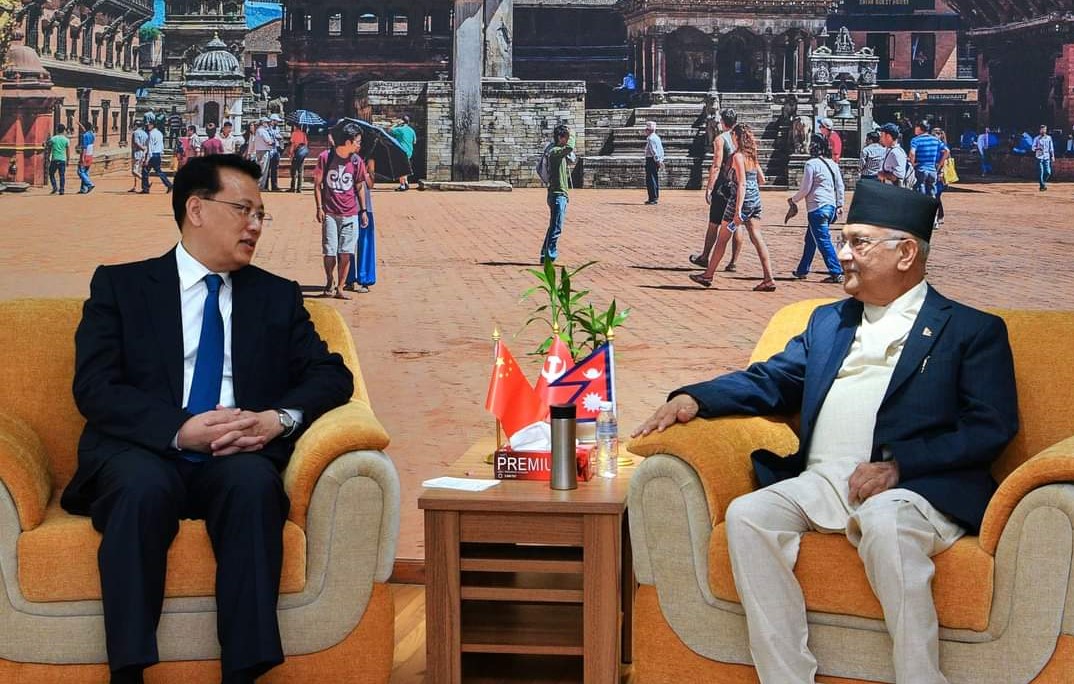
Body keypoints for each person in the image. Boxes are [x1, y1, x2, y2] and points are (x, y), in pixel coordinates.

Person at [633, 180, 1019, 684]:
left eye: (858, 242)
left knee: (885, 522)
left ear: (906, 253)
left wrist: (900, 466)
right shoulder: (828, 322)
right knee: (748, 516)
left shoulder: (970, 330)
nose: (843, 254)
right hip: (822, 481)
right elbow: (772, 380)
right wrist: (695, 398)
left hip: (915, 489)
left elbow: (991, 426)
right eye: (844, 240)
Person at [63, 154, 353, 684]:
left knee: (253, 485)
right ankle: (128, 671)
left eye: (261, 214)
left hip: (236, 453)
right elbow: (95, 387)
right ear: (196, 210)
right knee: (140, 489)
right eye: (243, 210)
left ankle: (245, 670)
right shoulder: (121, 287)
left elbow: (330, 375)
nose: (255, 225)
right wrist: (177, 429)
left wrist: (277, 420)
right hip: (145, 449)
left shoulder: (276, 295)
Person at [689, 123, 775, 291]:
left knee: (722, 239)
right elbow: (762, 179)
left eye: (733, 136)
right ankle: (768, 278)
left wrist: (738, 210)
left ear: (737, 137)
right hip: (755, 201)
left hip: (739, 202)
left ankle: (708, 275)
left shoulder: (738, 157)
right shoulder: (752, 156)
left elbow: (741, 183)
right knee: (757, 237)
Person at [312, 121, 370, 298]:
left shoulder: (357, 161)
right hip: (330, 212)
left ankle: (341, 287)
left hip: (350, 213)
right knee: (329, 251)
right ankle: (330, 280)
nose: (359, 145)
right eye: (357, 141)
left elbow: (359, 187)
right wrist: (319, 207)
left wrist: (363, 211)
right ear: (347, 142)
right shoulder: (325, 157)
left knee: (346, 252)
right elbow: (317, 185)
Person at [788, 134, 845, 283]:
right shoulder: (833, 164)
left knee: (823, 240)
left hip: (817, 208)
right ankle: (802, 270)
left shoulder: (811, 164)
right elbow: (840, 186)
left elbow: (805, 188)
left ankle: (836, 271)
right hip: (831, 207)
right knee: (811, 239)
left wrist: (793, 200)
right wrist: (840, 204)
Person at [693, 108, 745, 273]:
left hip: (724, 185)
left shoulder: (721, 139)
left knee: (714, 222)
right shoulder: (742, 137)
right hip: (739, 183)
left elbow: (716, 165)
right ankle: (733, 262)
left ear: (722, 122)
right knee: (736, 223)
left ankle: (705, 257)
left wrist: (709, 187)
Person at [539, 123, 576, 263]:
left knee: (554, 225)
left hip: (560, 193)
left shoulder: (557, 152)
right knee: (556, 227)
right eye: (566, 137)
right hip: (557, 194)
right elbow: (570, 147)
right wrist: (573, 134)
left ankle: (545, 254)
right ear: (560, 138)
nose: (567, 139)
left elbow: (571, 156)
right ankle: (549, 255)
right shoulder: (554, 152)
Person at [909, 121, 948, 197]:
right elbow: (947, 151)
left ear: (919, 128)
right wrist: (939, 165)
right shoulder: (935, 140)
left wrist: (912, 164)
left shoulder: (915, 140)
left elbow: (912, 153)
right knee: (932, 193)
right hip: (932, 170)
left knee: (920, 193)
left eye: (916, 127)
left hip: (921, 169)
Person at [141, 120, 173, 194]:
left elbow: (150, 147)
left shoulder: (151, 134)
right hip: (158, 154)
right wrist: (161, 153)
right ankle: (169, 184)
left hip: (152, 155)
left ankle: (145, 188)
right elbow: (161, 145)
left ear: (152, 125)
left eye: (149, 125)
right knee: (158, 171)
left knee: (145, 170)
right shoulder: (159, 133)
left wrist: (147, 159)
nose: (147, 126)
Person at [388, 114, 417, 191]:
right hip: (409, 152)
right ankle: (406, 183)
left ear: (402, 121)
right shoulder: (412, 130)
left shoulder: (400, 129)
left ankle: (403, 185)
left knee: (401, 169)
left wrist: (396, 124)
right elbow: (414, 141)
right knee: (405, 168)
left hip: (401, 151)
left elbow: (389, 130)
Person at [877, 122, 911, 187]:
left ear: (888, 136)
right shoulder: (890, 150)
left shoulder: (895, 152)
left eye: (882, 136)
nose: (880, 138)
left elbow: (899, 175)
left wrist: (883, 175)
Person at [932, 127, 954, 224]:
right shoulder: (934, 144)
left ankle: (939, 215)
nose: (934, 136)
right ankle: (939, 215)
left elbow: (946, 160)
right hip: (933, 170)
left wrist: (941, 171)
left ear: (940, 135)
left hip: (940, 172)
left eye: (936, 134)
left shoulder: (943, 146)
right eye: (933, 134)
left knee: (937, 194)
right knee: (935, 195)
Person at [643, 121, 664, 205]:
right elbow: (661, 150)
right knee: (654, 178)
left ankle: (653, 198)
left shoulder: (651, 139)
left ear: (649, 130)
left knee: (651, 179)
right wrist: (660, 160)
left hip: (651, 160)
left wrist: (657, 160)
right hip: (655, 160)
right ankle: (654, 196)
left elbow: (653, 151)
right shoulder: (657, 137)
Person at [45, 124, 70, 195]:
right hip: (62, 159)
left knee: (51, 174)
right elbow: (68, 151)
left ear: (57, 130)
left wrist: (48, 157)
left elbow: (47, 145)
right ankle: (62, 190)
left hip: (54, 159)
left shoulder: (53, 139)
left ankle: (55, 187)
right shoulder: (66, 140)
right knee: (62, 175)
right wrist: (68, 160)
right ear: (64, 130)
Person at [1032, 124, 1055, 191]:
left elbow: (1051, 148)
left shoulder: (1049, 138)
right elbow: (1033, 148)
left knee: (1048, 172)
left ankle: (1043, 183)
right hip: (1039, 157)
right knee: (1041, 172)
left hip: (1047, 157)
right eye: (1042, 130)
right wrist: (1038, 148)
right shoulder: (1036, 138)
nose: (1043, 131)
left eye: (1044, 130)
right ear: (1040, 130)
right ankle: (1042, 185)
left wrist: (1052, 156)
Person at [253, 118, 275, 187]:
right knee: (263, 169)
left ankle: (258, 185)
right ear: (263, 123)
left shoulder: (258, 130)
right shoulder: (263, 131)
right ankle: (260, 185)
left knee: (260, 168)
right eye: (267, 122)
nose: (268, 124)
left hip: (259, 151)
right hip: (264, 151)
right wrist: (273, 141)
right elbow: (268, 142)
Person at [288, 124, 310, 192]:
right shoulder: (303, 134)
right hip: (302, 154)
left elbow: (293, 144)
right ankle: (299, 188)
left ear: (295, 126)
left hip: (296, 153)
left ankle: (292, 187)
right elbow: (306, 144)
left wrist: (290, 153)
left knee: (294, 171)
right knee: (300, 171)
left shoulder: (294, 134)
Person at [77, 121, 96, 194]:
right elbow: (85, 130)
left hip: (85, 154)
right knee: (86, 172)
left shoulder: (84, 136)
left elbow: (84, 148)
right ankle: (83, 189)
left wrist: (82, 157)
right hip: (90, 154)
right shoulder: (92, 135)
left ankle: (89, 184)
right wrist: (80, 124)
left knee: (80, 171)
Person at [130, 121, 149, 193]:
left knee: (134, 171)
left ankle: (145, 181)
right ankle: (135, 186)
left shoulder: (136, 132)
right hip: (142, 154)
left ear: (136, 125)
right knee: (138, 171)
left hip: (136, 153)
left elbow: (136, 142)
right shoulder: (145, 133)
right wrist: (145, 150)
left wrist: (142, 148)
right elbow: (147, 144)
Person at [267, 114, 284, 191]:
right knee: (267, 169)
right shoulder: (267, 129)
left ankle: (274, 186)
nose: (277, 122)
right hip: (269, 150)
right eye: (276, 121)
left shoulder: (277, 128)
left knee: (275, 169)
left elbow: (279, 136)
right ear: (272, 121)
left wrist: (279, 138)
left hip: (276, 149)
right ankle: (265, 186)